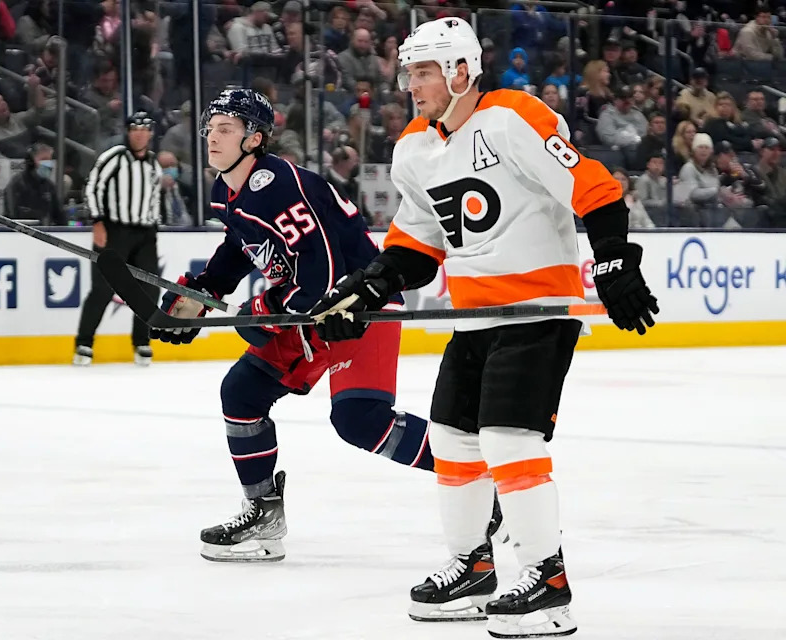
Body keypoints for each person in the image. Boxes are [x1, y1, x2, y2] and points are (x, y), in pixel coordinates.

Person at [310, 17, 658, 638]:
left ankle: (548, 584)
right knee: (451, 438)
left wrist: (612, 260)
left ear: (460, 71)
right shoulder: (414, 147)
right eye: (408, 72)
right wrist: (371, 283)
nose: (411, 85)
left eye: (423, 72)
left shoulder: (510, 116)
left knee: (508, 439)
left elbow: (593, 186)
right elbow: (416, 245)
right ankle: (473, 565)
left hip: (534, 313)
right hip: (473, 319)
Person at [148, 89, 438, 563]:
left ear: (254, 138)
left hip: (355, 308)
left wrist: (262, 308)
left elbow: (321, 272)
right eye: (211, 128)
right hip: (306, 312)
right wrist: (201, 293)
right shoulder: (227, 189)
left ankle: (478, 474)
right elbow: (242, 248)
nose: (212, 137)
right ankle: (262, 512)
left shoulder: (277, 184)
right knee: (241, 394)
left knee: (361, 421)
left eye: (226, 128)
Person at [74, 112, 162, 367]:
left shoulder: (154, 164)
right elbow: (92, 187)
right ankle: (84, 343)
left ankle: (141, 342)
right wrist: (98, 221)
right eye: (135, 129)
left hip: (145, 234)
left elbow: (154, 197)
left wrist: (153, 227)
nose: (140, 133)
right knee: (102, 288)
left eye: (145, 129)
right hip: (115, 231)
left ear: (151, 133)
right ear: (128, 132)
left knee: (149, 289)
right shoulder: (114, 158)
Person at [3, 143, 64, 225]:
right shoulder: (16, 183)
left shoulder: (49, 186)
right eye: (44, 159)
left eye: (49, 160)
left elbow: (58, 215)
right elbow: (14, 214)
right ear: (31, 162)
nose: (48, 164)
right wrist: (40, 216)